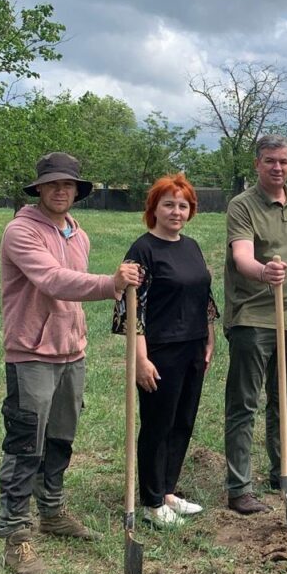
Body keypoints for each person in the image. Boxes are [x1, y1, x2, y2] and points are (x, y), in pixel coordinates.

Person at [0, 152, 141, 574]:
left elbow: (68, 290)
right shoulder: (20, 232)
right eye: (53, 184)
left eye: (69, 185)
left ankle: (53, 510)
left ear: (77, 191)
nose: (62, 191)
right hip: (31, 353)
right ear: (39, 188)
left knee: (61, 437)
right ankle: (17, 535)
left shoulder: (79, 234)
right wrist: (109, 285)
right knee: (26, 443)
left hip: (70, 351)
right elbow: (53, 280)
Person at [223, 134, 287, 515]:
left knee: (285, 400)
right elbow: (241, 258)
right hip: (252, 319)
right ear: (257, 164)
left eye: (283, 161)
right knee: (245, 403)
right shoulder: (242, 205)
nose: (277, 168)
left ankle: (284, 469)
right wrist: (263, 272)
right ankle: (239, 486)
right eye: (270, 161)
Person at [113, 174, 218, 529]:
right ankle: (152, 501)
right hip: (160, 350)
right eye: (168, 204)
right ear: (154, 208)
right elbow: (132, 309)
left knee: (182, 421)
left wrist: (209, 337)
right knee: (158, 424)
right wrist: (140, 358)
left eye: (183, 205)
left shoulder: (191, 247)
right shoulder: (143, 249)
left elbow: (204, 295)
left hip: (193, 347)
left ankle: (169, 490)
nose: (176, 211)